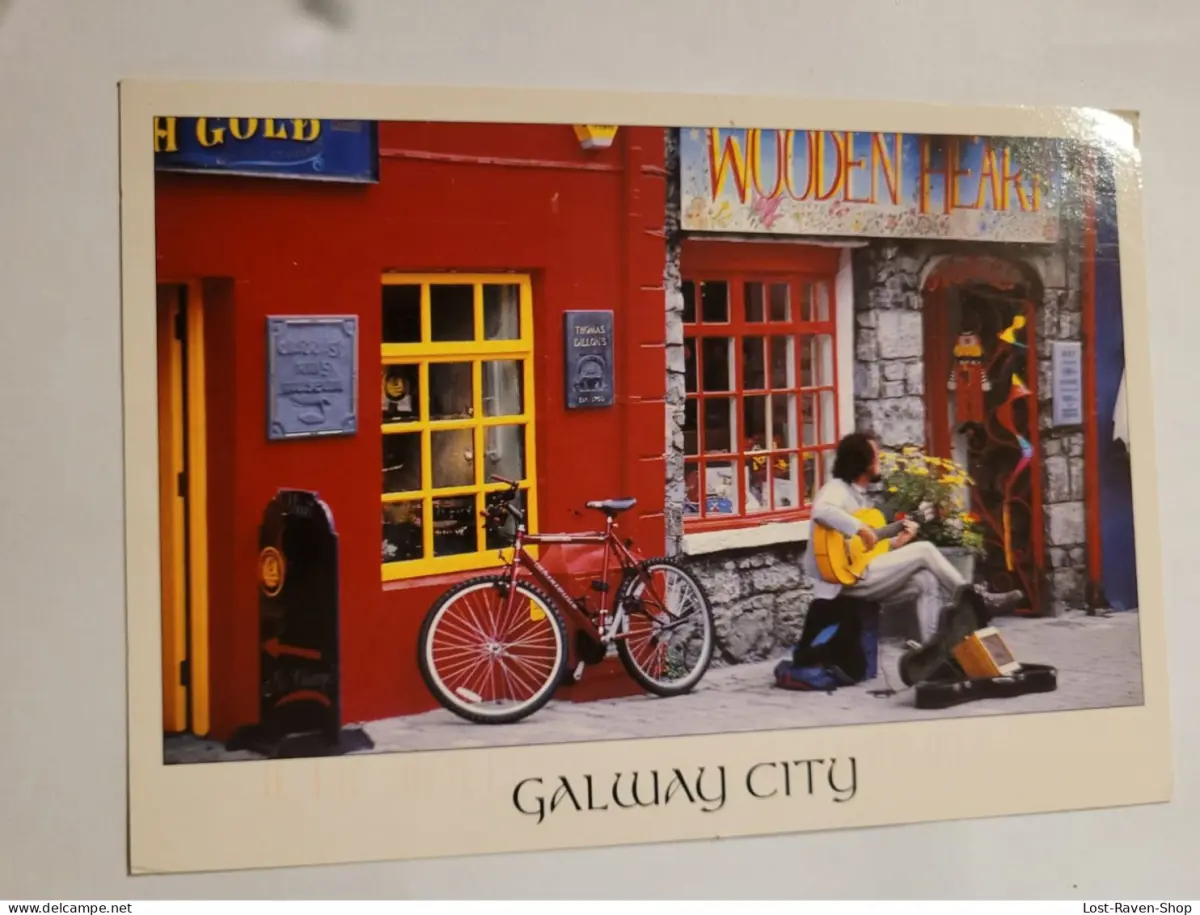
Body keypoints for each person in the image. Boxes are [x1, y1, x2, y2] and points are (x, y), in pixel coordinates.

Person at [802, 431, 1025, 643]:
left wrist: (895, 543)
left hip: (858, 575)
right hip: (841, 582)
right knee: (924, 549)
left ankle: (931, 650)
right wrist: (859, 527)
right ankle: (977, 600)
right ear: (861, 461)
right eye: (875, 456)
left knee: (925, 581)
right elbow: (821, 511)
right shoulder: (836, 489)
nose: (879, 460)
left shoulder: (860, 497)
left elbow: (862, 551)